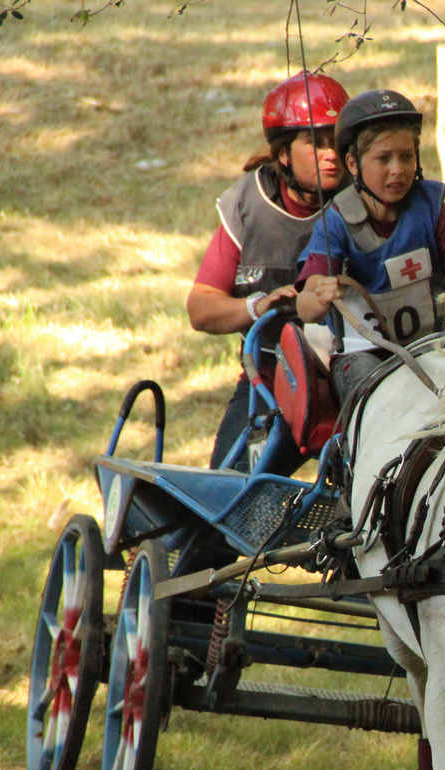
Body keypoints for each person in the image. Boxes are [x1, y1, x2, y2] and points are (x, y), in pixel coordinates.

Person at [293, 89, 445, 404]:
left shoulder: (431, 209)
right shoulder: (336, 222)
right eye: (383, 158)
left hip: (431, 345)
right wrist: (318, 297)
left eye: (407, 156)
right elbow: (304, 306)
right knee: (378, 401)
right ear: (353, 163)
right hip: (363, 357)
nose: (398, 169)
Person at [187, 71, 350, 471]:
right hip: (270, 379)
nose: (331, 154)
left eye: (338, 141)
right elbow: (201, 309)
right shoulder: (249, 202)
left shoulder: (364, 199)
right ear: (282, 154)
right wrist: (258, 307)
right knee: (228, 502)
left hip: (353, 377)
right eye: (315, 141)